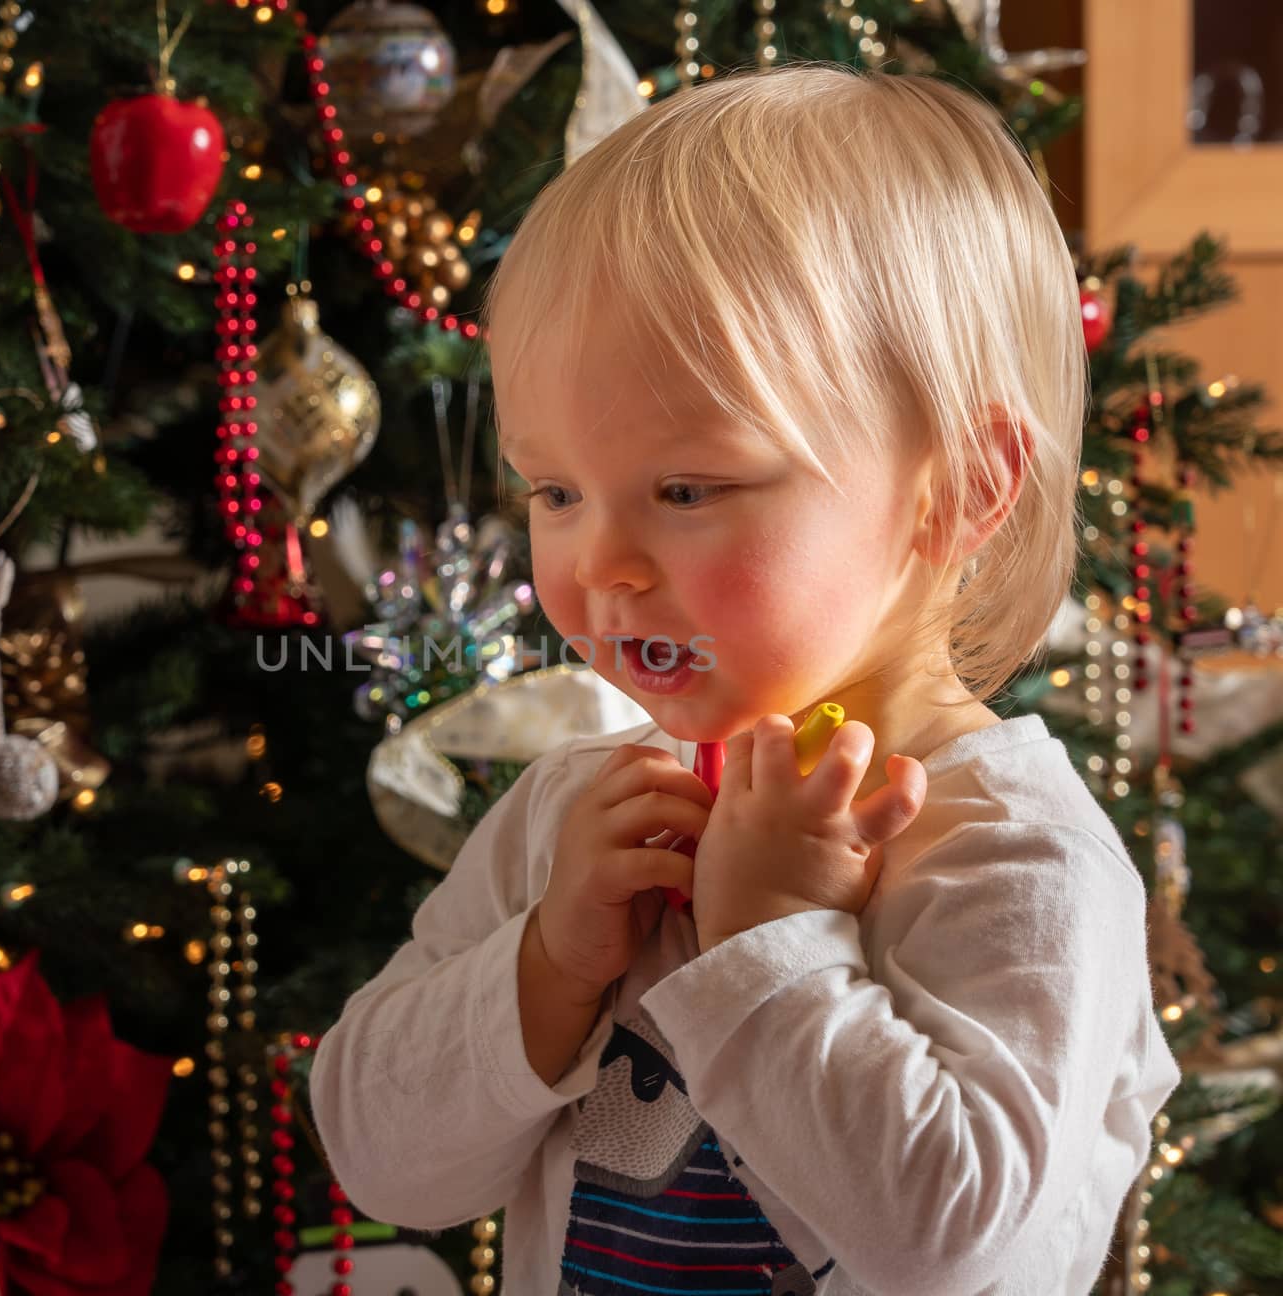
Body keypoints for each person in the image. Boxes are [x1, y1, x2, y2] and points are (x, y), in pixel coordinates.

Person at [308, 63, 1180, 1295]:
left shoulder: (1017, 859)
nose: (599, 564)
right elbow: (378, 1159)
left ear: (961, 491)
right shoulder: (575, 818)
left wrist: (773, 939)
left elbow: (953, 1249)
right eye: (553, 492)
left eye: (684, 490)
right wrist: (551, 962)